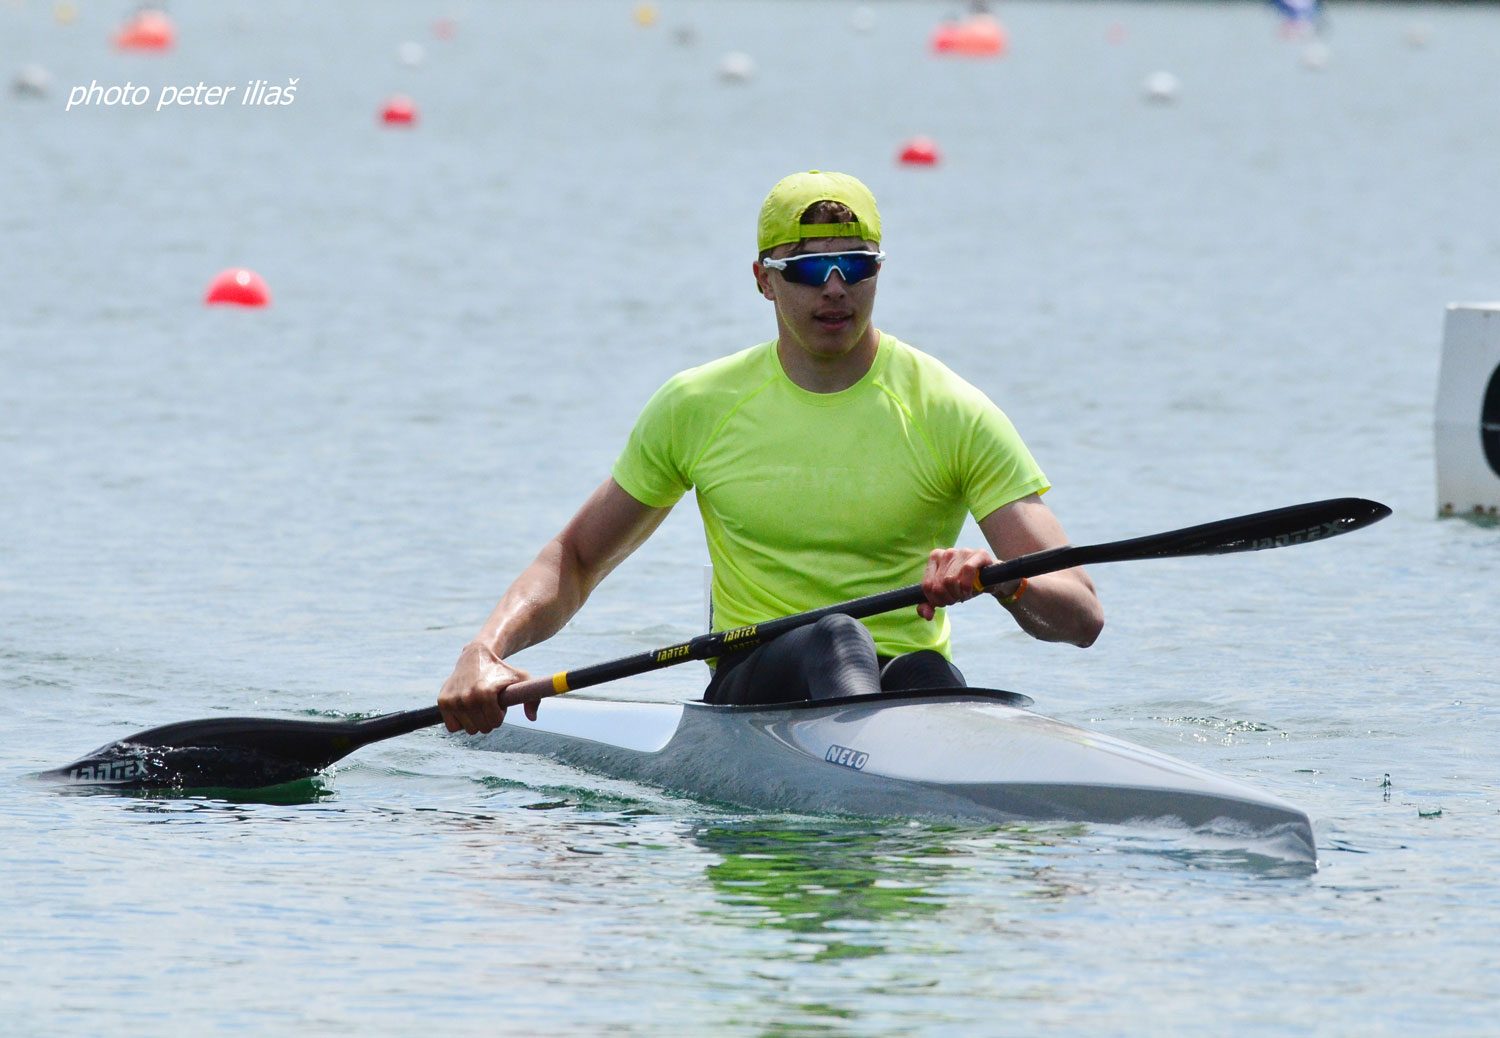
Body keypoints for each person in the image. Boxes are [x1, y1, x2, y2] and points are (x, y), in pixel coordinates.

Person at [438, 170, 1103, 735]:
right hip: (751, 688)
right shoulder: (698, 405)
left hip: (901, 690)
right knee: (839, 637)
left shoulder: (952, 412)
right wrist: (484, 649)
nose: (835, 289)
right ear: (763, 279)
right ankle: (868, 792)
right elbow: (576, 560)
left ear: (879, 270)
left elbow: (1081, 613)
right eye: (810, 269)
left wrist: (1006, 580)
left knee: (927, 672)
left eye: (856, 267)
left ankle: (877, 795)